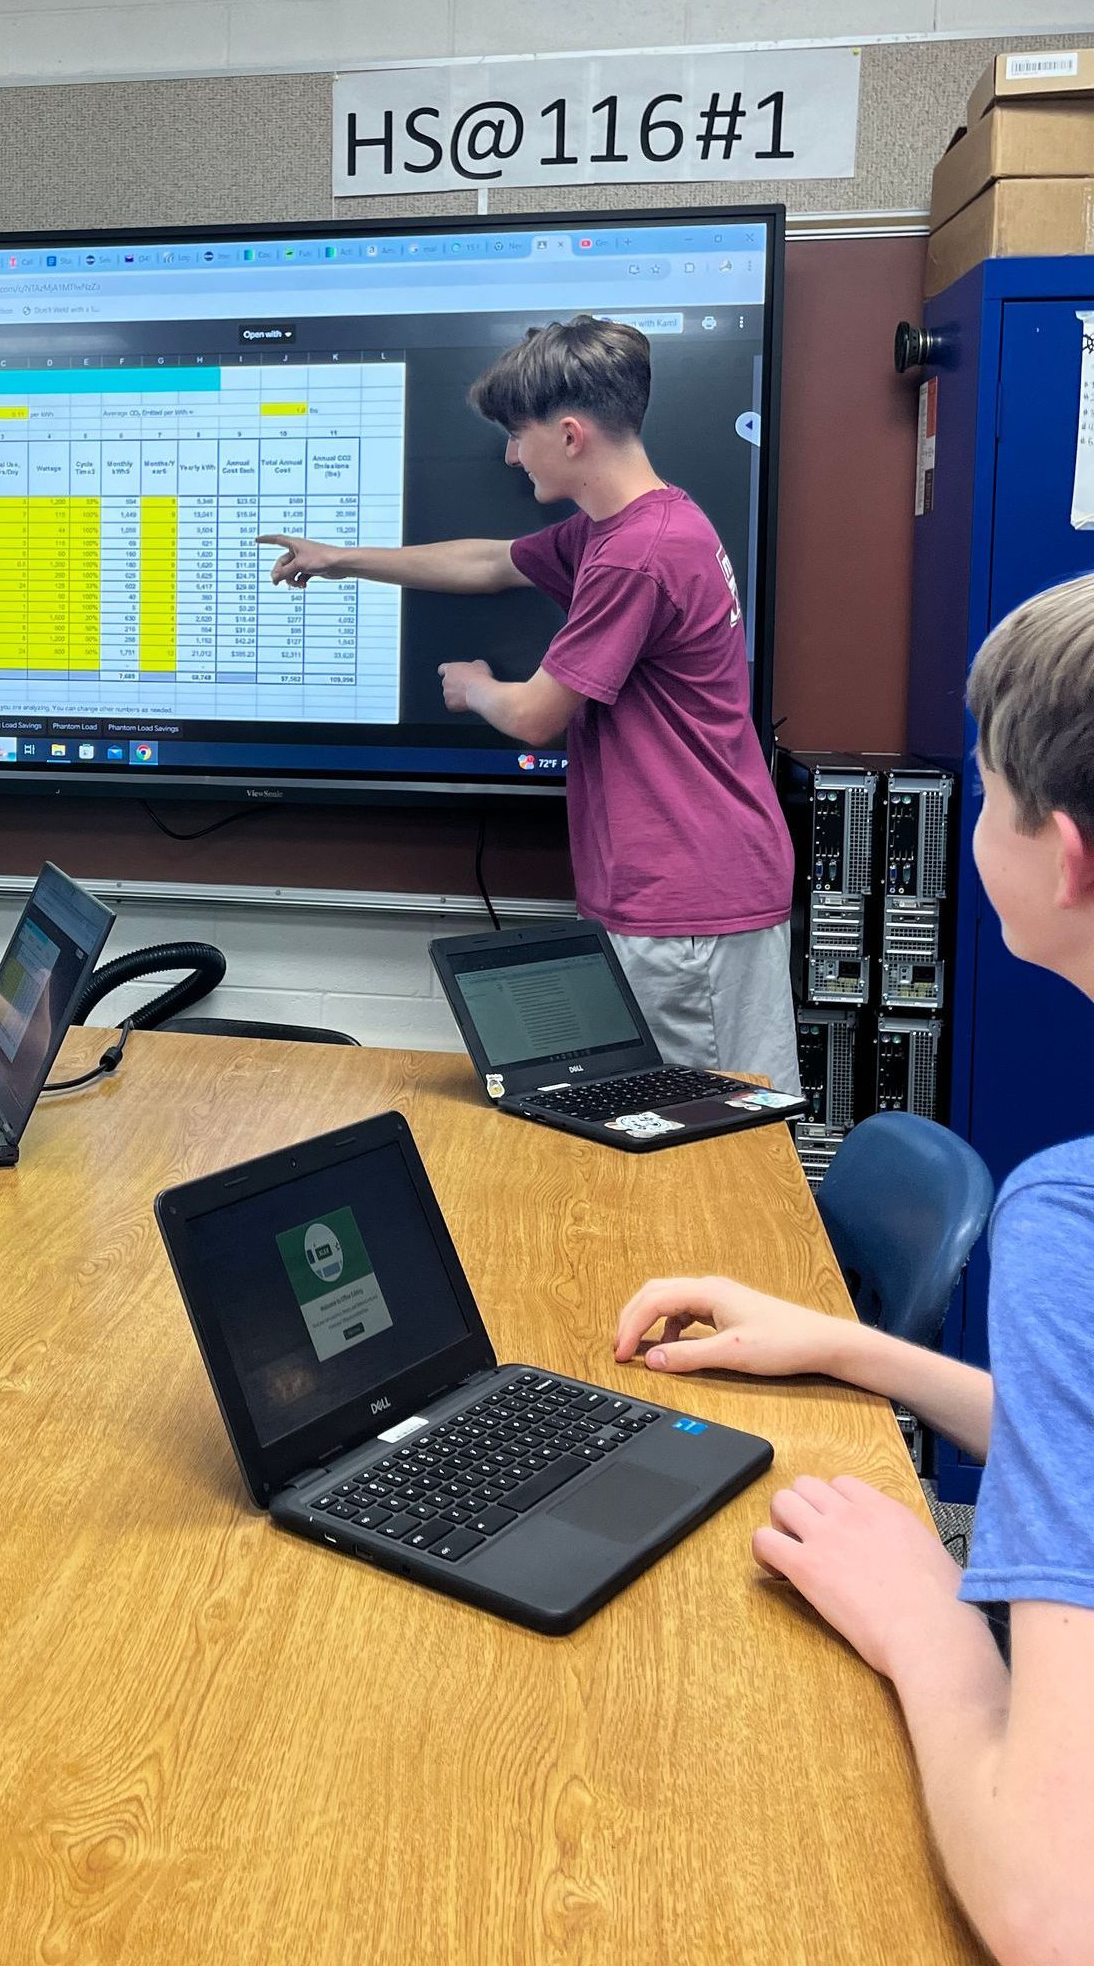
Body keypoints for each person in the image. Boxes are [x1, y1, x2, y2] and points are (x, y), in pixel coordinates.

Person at [612, 574, 1094, 1966]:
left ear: (1060, 852)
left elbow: (1056, 1913)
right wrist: (851, 1344)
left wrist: (930, 1629)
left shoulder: (1072, 1216)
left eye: (987, 789)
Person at [258, 315, 796, 1089]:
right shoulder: (626, 528)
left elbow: (539, 716)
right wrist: (343, 559)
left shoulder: (637, 556)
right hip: (678, 885)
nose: (510, 452)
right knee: (664, 1117)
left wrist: (475, 685)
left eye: (518, 432)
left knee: (707, 1130)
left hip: (691, 903)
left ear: (570, 435)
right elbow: (487, 560)